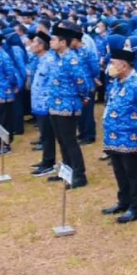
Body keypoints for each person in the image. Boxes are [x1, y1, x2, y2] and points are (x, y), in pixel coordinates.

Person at [101, 48, 137, 224]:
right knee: (119, 171)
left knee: (133, 173)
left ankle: (136, 208)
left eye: (113, 63)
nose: (110, 67)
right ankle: (124, 201)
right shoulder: (117, 82)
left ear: (123, 65)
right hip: (114, 137)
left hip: (130, 138)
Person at [46, 24, 90, 189]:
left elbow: (82, 82)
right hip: (55, 105)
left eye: (54, 40)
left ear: (63, 42)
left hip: (67, 106)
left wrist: (84, 97)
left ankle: (79, 175)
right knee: (61, 140)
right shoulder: (57, 57)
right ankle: (66, 171)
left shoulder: (71, 59)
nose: (51, 42)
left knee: (70, 141)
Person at [28, 32, 57, 177]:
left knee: (47, 135)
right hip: (38, 104)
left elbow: (53, 85)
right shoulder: (40, 59)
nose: (31, 45)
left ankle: (49, 163)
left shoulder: (50, 61)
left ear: (41, 46)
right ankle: (46, 160)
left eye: (34, 42)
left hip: (46, 105)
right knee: (44, 135)